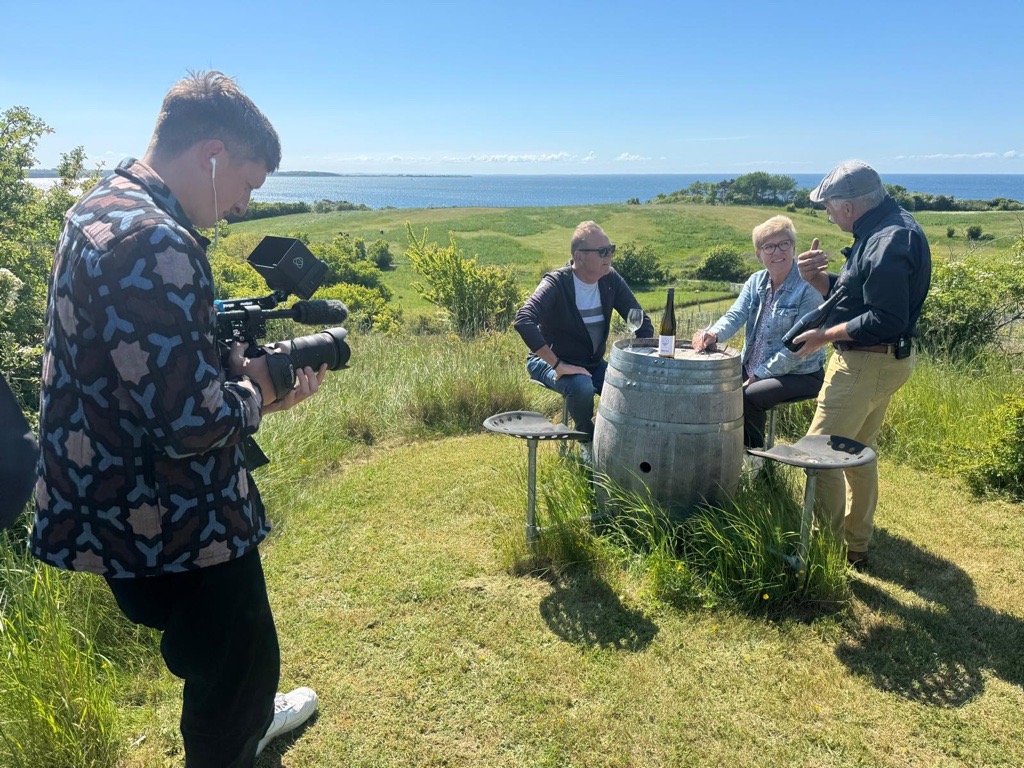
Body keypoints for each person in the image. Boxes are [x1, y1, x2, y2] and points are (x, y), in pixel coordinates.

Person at [31, 71, 324, 767]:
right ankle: (240, 729)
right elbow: (190, 424)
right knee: (235, 667)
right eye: (247, 185)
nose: (243, 207)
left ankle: (249, 719)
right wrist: (260, 393)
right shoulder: (155, 240)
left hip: (110, 502)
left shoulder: (99, 207)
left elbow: (135, 368)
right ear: (213, 154)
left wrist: (213, 360)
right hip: (172, 520)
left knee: (217, 660)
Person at [791, 160, 932, 570]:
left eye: (828, 206)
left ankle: (824, 551)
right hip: (883, 361)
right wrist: (820, 282)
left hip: (866, 364)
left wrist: (824, 336)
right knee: (859, 452)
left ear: (848, 205)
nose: (827, 213)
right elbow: (864, 299)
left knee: (820, 456)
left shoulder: (887, 239)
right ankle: (856, 545)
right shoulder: (885, 228)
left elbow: (885, 318)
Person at [514, 221, 654, 459]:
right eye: (602, 251)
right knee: (581, 385)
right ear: (579, 256)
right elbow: (523, 320)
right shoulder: (557, 283)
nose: (609, 256)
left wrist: (639, 364)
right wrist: (558, 365)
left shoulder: (610, 280)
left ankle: (618, 444)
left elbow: (641, 322)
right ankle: (587, 444)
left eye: (611, 249)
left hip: (592, 364)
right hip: (549, 363)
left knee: (631, 388)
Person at [692, 215, 826, 450]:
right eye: (769, 246)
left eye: (784, 244)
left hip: (800, 373)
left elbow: (796, 349)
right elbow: (736, 315)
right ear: (759, 254)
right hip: (752, 365)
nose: (777, 252)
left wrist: (760, 375)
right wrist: (712, 334)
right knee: (710, 383)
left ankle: (752, 460)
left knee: (748, 396)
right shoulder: (755, 281)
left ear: (793, 247)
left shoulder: (808, 288)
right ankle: (717, 450)